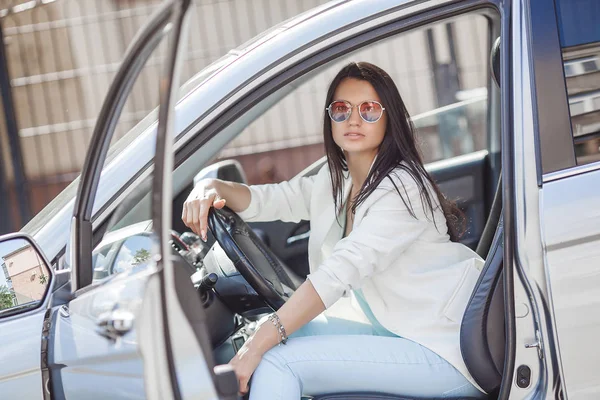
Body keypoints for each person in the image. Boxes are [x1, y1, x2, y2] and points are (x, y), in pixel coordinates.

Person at [182, 62, 487, 399]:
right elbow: (270, 199)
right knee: (278, 340)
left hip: (443, 348)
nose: (354, 119)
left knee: (278, 362)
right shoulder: (338, 182)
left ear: (390, 118)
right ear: (330, 118)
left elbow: (338, 273)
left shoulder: (402, 189)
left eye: (369, 109)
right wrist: (210, 187)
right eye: (342, 109)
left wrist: (258, 344)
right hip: (393, 328)